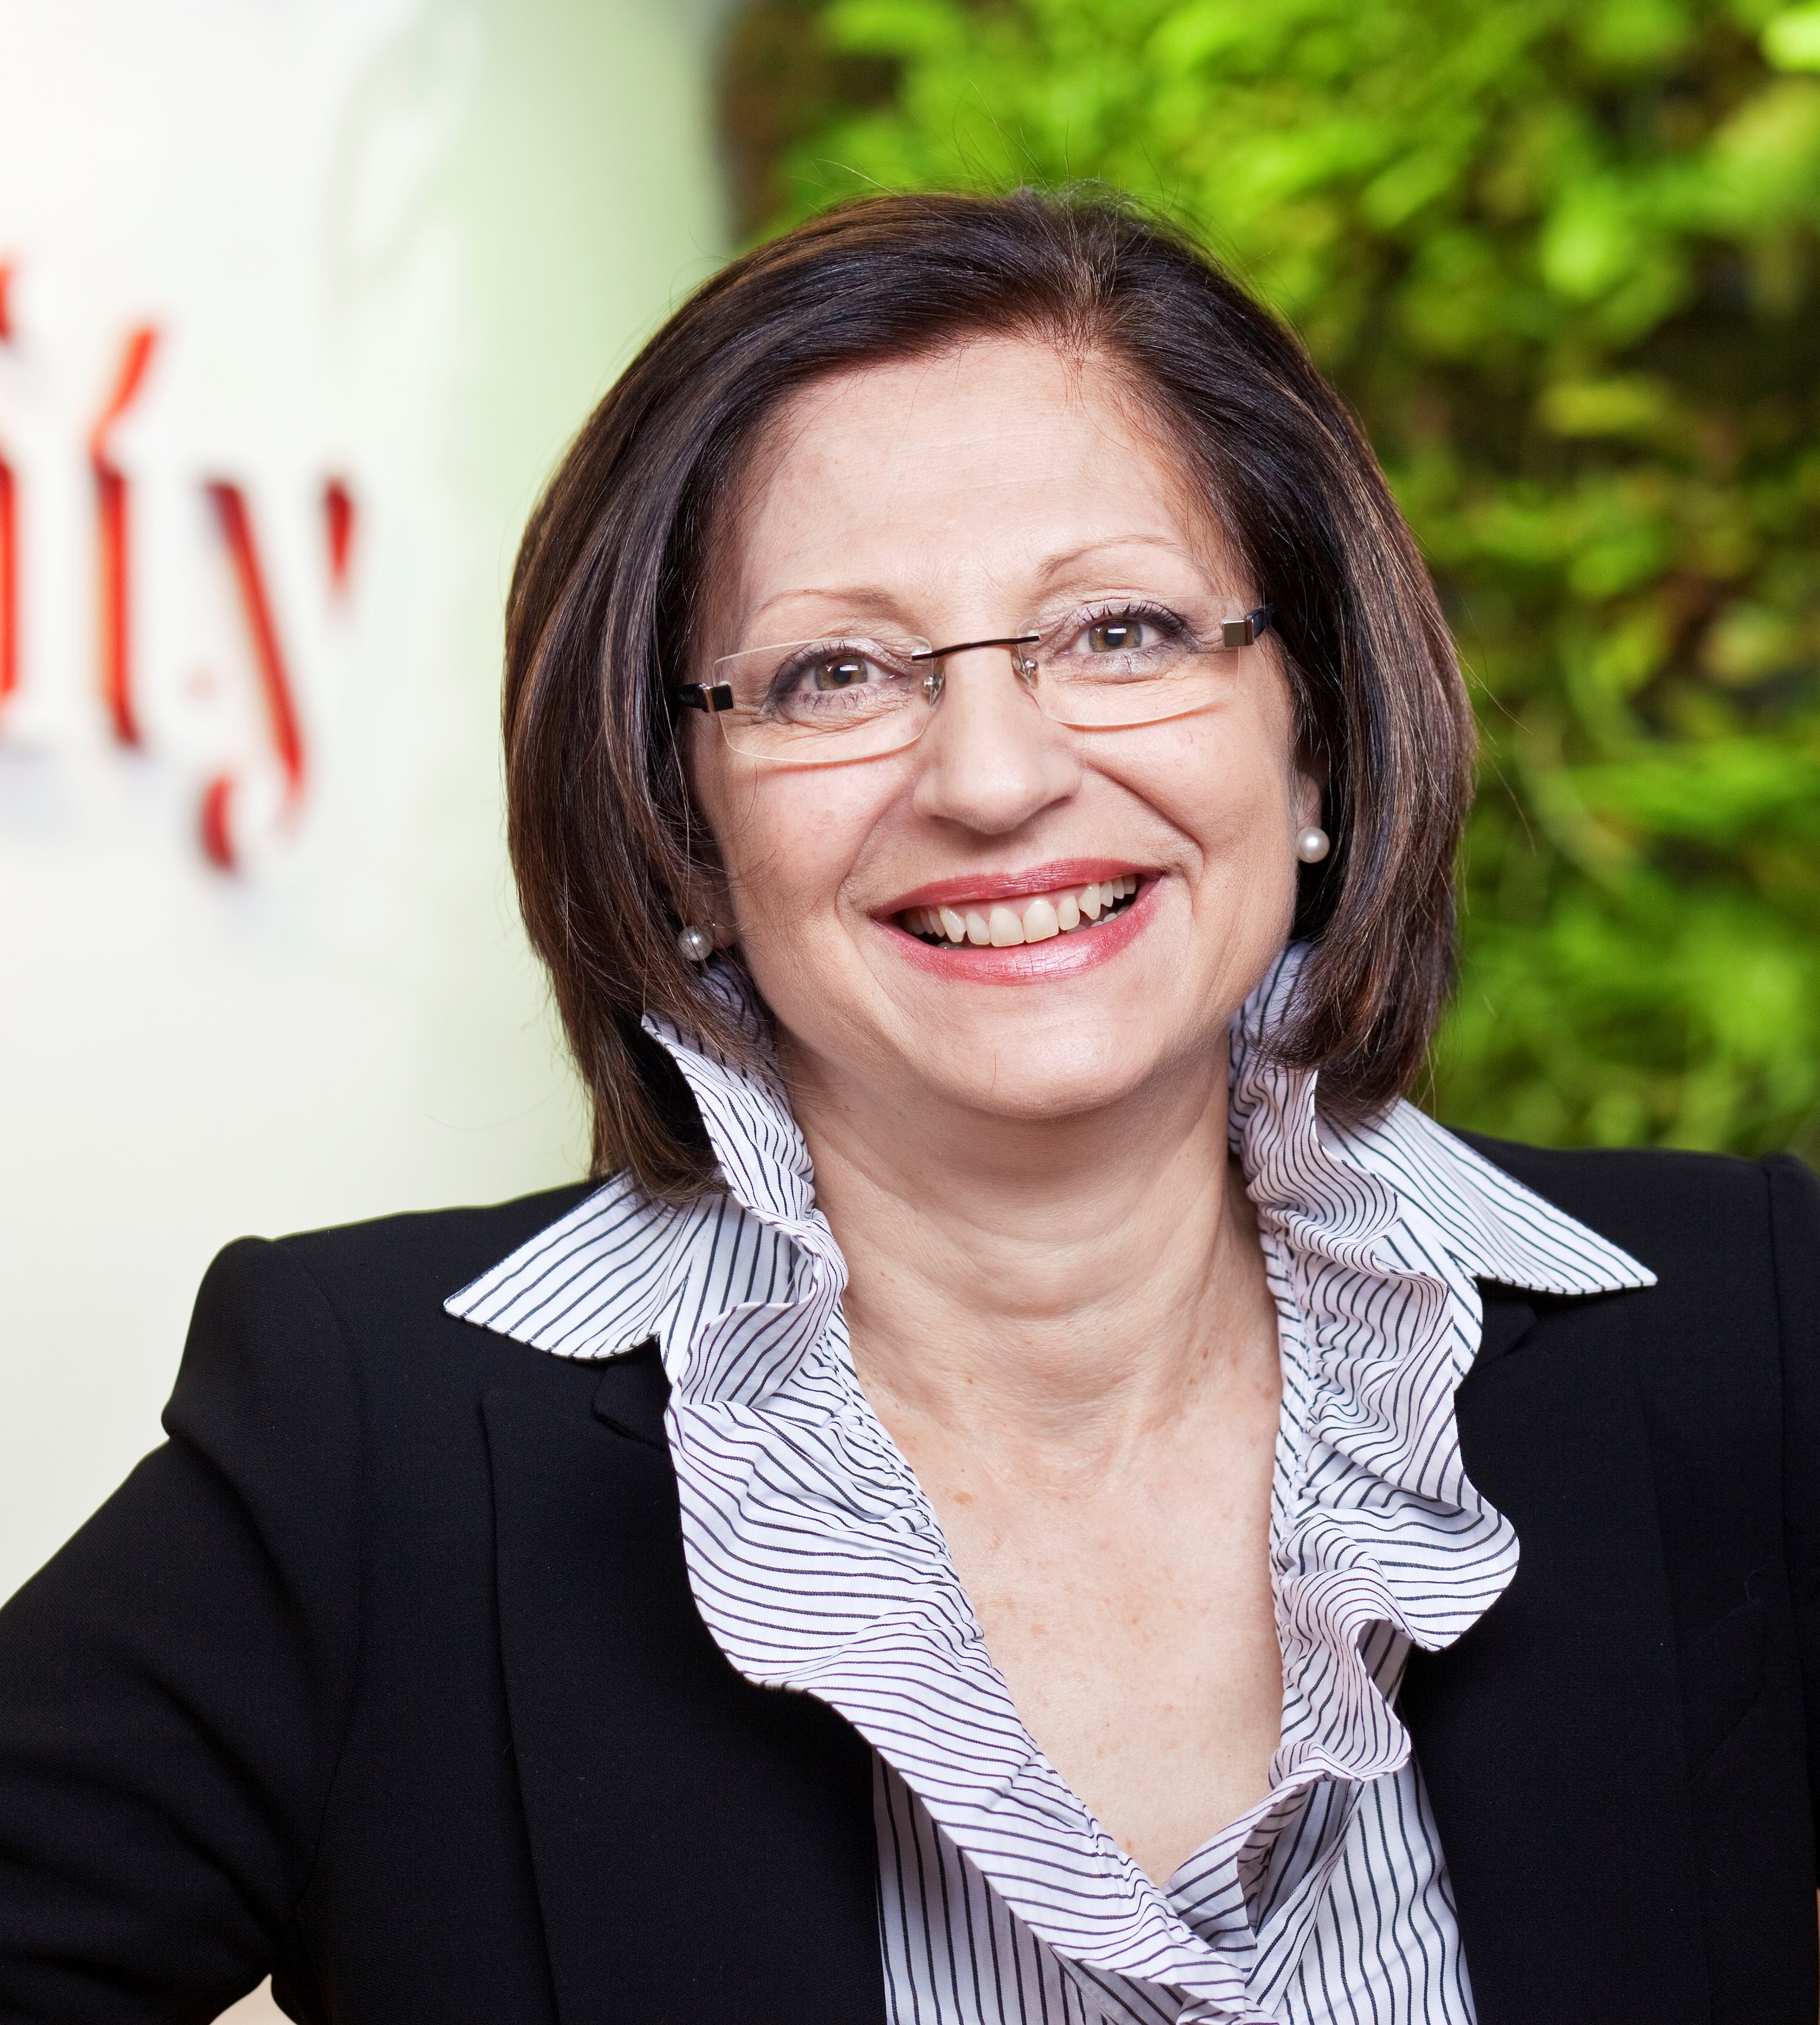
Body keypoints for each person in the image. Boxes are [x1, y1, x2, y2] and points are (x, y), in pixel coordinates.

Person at [0, 189, 1813, 2025]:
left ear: (1316, 735)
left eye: (1119, 632)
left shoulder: (1746, 1327)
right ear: (677, 820)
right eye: (833, 675)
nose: (995, 776)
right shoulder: (369, 1439)